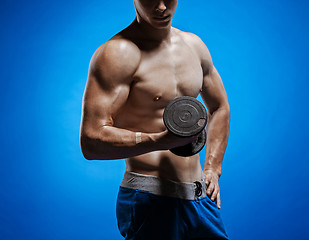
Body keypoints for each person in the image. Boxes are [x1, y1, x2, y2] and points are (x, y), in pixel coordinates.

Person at [80, 0, 230, 239]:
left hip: (201, 200)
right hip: (150, 199)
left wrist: (213, 168)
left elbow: (219, 106)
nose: (161, 7)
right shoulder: (117, 54)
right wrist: (159, 141)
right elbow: (91, 140)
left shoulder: (194, 46)